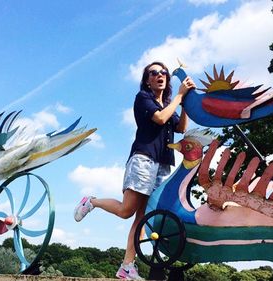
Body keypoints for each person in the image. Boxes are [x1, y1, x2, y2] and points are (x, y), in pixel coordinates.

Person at [74, 61, 195, 280]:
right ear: (147, 80)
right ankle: (91, 201)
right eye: (153, 72)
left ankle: (127, 266)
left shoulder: (168, 103)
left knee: (144, 217)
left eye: (163, 72)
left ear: (167, 78)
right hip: (144, 159)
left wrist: (185, 101)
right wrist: (179, 96)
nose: (159, 75)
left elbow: (181, 128)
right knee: (126, 211)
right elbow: (160, 119)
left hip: (163, 164)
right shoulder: (144, 98)